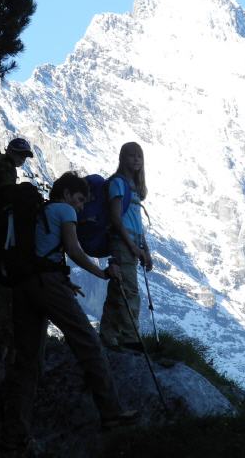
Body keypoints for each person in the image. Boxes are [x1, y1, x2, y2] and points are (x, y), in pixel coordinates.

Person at [0, 172, 137, 452]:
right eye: (80, 200)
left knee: (27, 362)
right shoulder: (63, 210)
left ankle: (13, 433)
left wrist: (65, 281)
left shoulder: (41, 213)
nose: (82, 207)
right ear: (66, 195)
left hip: (25, 286)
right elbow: (73, 250)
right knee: (88, 342)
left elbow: (42, 255)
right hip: (49, 286)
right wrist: (100, 273)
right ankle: (111, 413)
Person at [99, 142, 152, 352]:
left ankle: (108, 335)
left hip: (132, 242)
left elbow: (137, 222)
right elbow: (116, 218)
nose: (136, 159)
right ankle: (131, 338)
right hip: (122, 243)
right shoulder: (118, 184)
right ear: (122, 158)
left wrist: (145, 249)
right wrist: (133, 247)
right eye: (131, 156)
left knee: (117, 289)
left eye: (139, 156)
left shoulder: (135, 188)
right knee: (129, 290)